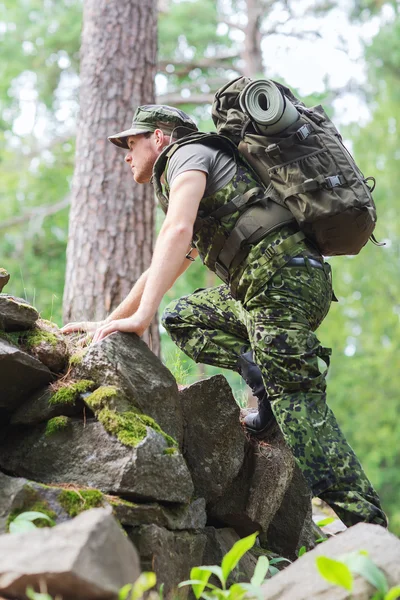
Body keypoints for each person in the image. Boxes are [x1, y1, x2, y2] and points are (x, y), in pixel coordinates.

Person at [62, 104, 387, 529]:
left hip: (281, 284)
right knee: (185, 317)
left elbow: (176, 231)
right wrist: (112, 320)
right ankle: (265, 384)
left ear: (159, 137)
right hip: (265, 287)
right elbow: (177, 256)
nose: (126, 153)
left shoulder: (185, 156)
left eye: (131, 142)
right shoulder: (197, 165)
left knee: (302, 412)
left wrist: (140, 317)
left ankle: (371, 532)